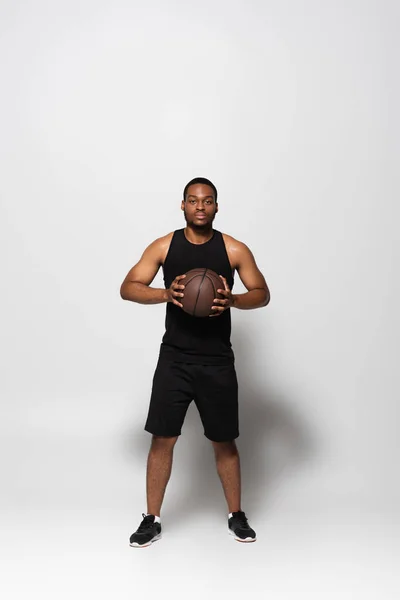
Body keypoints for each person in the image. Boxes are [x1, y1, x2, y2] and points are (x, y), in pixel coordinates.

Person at [120, 177, 270, 547]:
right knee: (163, 439)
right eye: (193, 200)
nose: (200, 207)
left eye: (207, 201)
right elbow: (128, 287)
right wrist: (165, 294)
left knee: (224, 441)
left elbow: (262, 293)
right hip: (175, 359)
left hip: (217, 360)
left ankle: (236, 515)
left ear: (216, 207)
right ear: (182, 205)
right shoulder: (164, 246)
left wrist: (233, 301)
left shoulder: (234, 249)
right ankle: (151, 519)